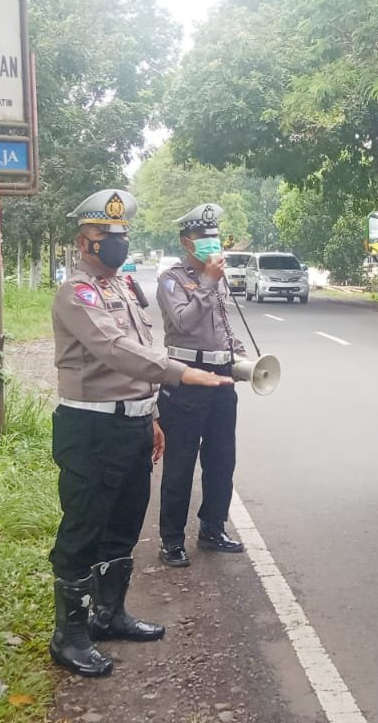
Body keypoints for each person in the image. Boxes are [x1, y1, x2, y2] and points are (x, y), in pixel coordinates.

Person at [49, 188, 232, 678]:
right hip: (90, 425)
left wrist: (150, 413)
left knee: (125, 523)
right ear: (83, 242)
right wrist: (179, 372)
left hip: (131, 421)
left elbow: (140, 347)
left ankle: (110, 614)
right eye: (105, 236)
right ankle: (70, 634)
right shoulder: (76, 293)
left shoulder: (126, 288)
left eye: (122, 235)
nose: (116, 243)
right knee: (83, 527)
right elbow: (114, 350)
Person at [155, 203, 247, 567]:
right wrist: (207, 282)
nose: (212, 244)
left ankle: (213, 528)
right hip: (185, 378)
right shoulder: (171, 280)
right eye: (203, 238)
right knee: (180, 462)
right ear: (186, 242)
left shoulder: (217, 278)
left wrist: (238, 356)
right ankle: (171, 539)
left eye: (215, 237)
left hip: (221, 379)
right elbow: (184, 324)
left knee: (222, 458)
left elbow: (222, 325)